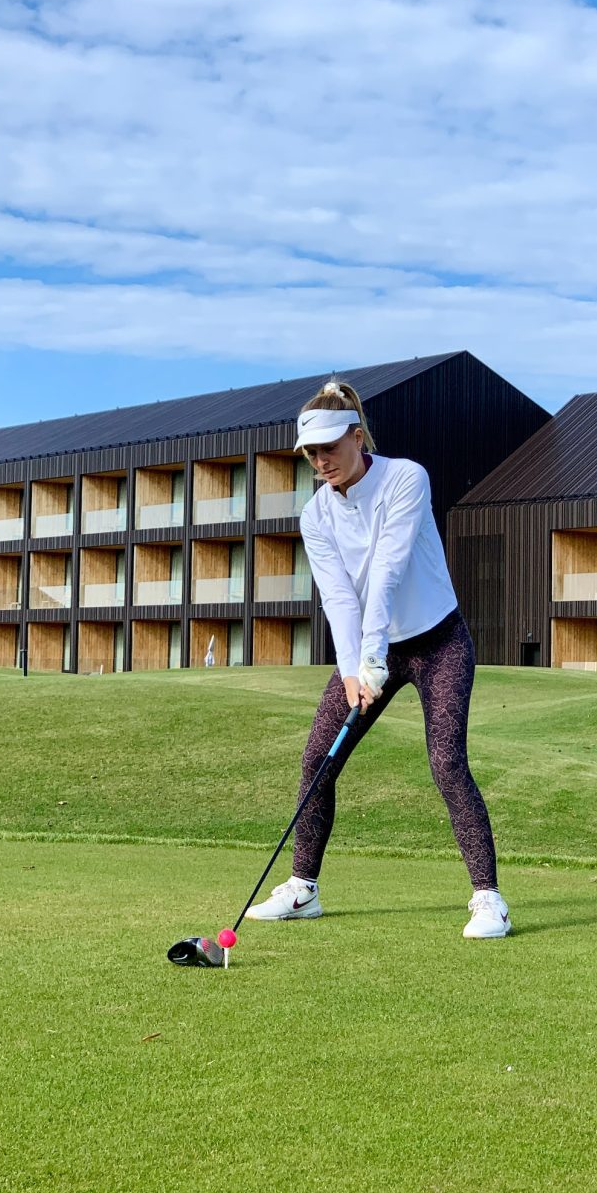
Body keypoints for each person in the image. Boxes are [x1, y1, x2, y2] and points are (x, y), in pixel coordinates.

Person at [245, 379, 511, 938]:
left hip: (439, 642)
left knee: (446, 761)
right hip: (371, 649)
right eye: (311, 453)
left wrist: (374, 660)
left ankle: (488, 900)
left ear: (357, 436)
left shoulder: (406, 478)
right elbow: (339, 599)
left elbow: (387, 571)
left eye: (330, 449)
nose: (321, 461)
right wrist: (352, 670)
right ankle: (303, 889)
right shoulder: (315, 516)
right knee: (319, 757)